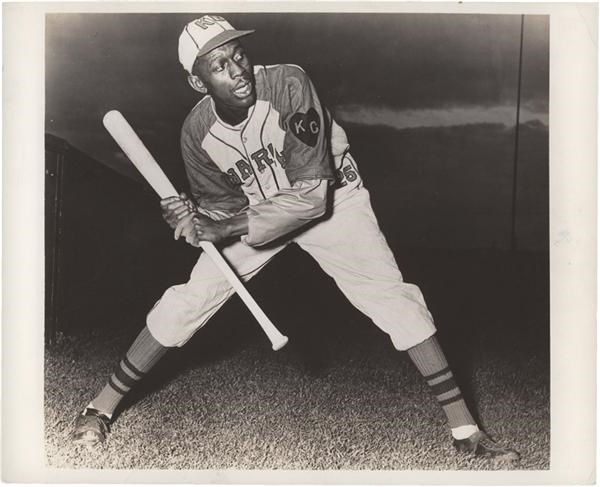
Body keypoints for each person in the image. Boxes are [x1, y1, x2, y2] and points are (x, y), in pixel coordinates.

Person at [71, 15, 519, 464]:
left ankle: (466, 431)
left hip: (332, 200)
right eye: (219, 64)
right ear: (196, 80)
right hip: (254, 213)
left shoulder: (288, 83)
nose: (237, 70)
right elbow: (221, 210)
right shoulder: (196, 133)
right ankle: (100, 409)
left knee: (393, 298)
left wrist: (222, 226)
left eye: (239, 54)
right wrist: (192, 215)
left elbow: (310, 199)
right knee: (188, 300)